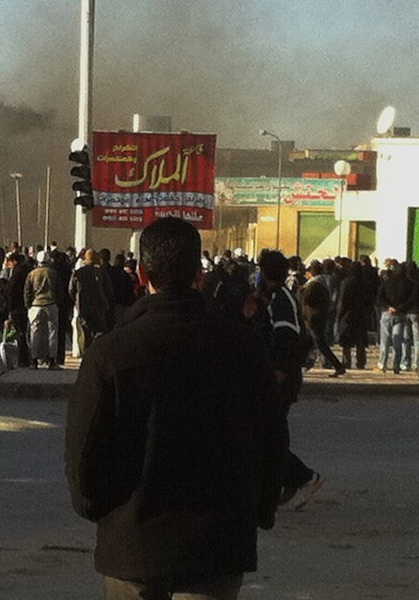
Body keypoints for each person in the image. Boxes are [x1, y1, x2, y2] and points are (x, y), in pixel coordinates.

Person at [67, 218, 286, 599]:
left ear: (140, 273)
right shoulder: (243, 348)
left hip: (132, 544)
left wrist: (101, 510)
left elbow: (84, 456)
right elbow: (273, 440)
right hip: (216, 544)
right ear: (199, 273)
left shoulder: (111, 353)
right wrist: (260, 510)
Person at [248, 249, 323, 512]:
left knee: (266, 436)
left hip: (280, 379)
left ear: (264, 273)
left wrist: (279, 371)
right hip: (273, 377)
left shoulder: (281, 299)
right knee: (267, 434)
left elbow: (287, 338)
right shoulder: (271, 299)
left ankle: (303, 477)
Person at [299, 261, 345, 377]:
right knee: (308, 343)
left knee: (320, 343)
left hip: (313, 318)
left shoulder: (313, 285)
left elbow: (306, 299)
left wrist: (300, 291)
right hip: (317, 317)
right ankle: (301, 365)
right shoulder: (322, 283)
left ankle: (338, 365)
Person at [69, 248, 111, 356]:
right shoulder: (101, 272)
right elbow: (109, 290)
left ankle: (86, 355)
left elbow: (71, 290)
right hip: (98, 308)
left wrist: (76, 302)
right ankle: (97, 354)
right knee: (100, 331)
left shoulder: (78, 273)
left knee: (85, 334)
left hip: (83, 308)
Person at [24, 251, 61, 370]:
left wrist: (28, 305)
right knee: (52, 332)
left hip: (36, 305)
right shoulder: (54, 273)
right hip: (51, 304)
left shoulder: (32, 274)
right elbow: (59, 290)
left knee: (35, 334)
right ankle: (52, 361)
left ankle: (34, 361)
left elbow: (27, 291)